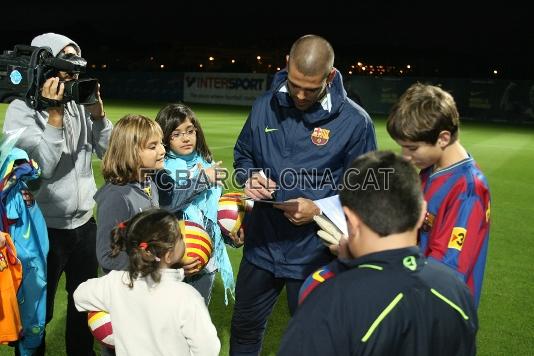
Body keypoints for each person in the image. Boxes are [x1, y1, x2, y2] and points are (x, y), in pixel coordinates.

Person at [231, 34, 377, 355]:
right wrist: (249, 176)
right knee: (244, 331)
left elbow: (365, 193)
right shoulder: (262, 106)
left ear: (331, 76)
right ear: (286, 64)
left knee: (315, 342)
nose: (299, 94)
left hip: (317, 254)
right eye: (295, 83)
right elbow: (243, 154)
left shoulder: (356, 123)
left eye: (310, 89)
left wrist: (319, 211)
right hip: (261, 246)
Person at [278, 151, 478, 356]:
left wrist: (341, 267)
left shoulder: (325, 292)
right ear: (421, 213)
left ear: (351, 220)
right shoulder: (456, 291)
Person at [3, 32, 112, 356]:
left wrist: (97, 115)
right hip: (41, 229)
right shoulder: (20, 110)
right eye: (66, 70)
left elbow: (109, 153)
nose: (72, 78)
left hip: (84, 224)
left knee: (83, 308)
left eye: (75, 70)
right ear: (46, 68)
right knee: (38, 312)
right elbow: (41, 171)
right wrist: (54, 117)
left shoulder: (78, 104)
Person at [386, 83, 491, 308]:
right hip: (416, 297)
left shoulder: (468, 189)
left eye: (412, 148)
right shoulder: (429, 170)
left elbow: (447, 272)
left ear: (443, 138)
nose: (405, 156)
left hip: (440, 311)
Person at [73, 208, 221, 356]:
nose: (184, 238)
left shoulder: (117, 282)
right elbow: (208, 349)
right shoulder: (187, 297)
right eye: (180, 237)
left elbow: (80, 296)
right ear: (169, 256)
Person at [155, 103, 240, 305]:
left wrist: (231, 235)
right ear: (165, 138)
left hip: (206, 260)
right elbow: (168, 204)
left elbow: (214, 213)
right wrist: (202, 180)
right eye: (176, 134)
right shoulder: (161, 168)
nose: (186, 138)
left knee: (196, 324)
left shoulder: (207, 164)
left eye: (190, 131)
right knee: (169, 327)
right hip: (174, 262)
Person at [94, 114, 165, 274]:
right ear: (130, 152)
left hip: (146, 282)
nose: (162, 150)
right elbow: (106, 255)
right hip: (127, 289)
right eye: (153, 147)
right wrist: (154, 264)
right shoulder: (117, 197)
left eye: (161, 143)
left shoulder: (150, 184)